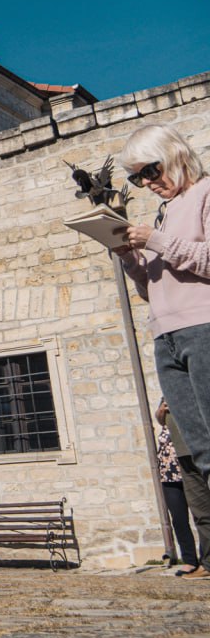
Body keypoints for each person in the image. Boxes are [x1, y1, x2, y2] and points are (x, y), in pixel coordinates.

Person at [118, 124, 210, 479]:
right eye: (137, 178)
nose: (147, 183)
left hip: (203, 328)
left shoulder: (204, 192)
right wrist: (129, 258)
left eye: (150, 171)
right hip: (165, 337)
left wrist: (157, 241)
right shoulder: (164, 212)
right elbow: (150, 290)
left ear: (174, 153)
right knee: (201, 451)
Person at [159, 399, 210, 578]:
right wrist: (162, 410)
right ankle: (189, 560)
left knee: (201, 512)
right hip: (169, 467)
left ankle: (206, 560)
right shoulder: (168, 395)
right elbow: (160, 420)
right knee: (179, 518)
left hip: (190, 459)